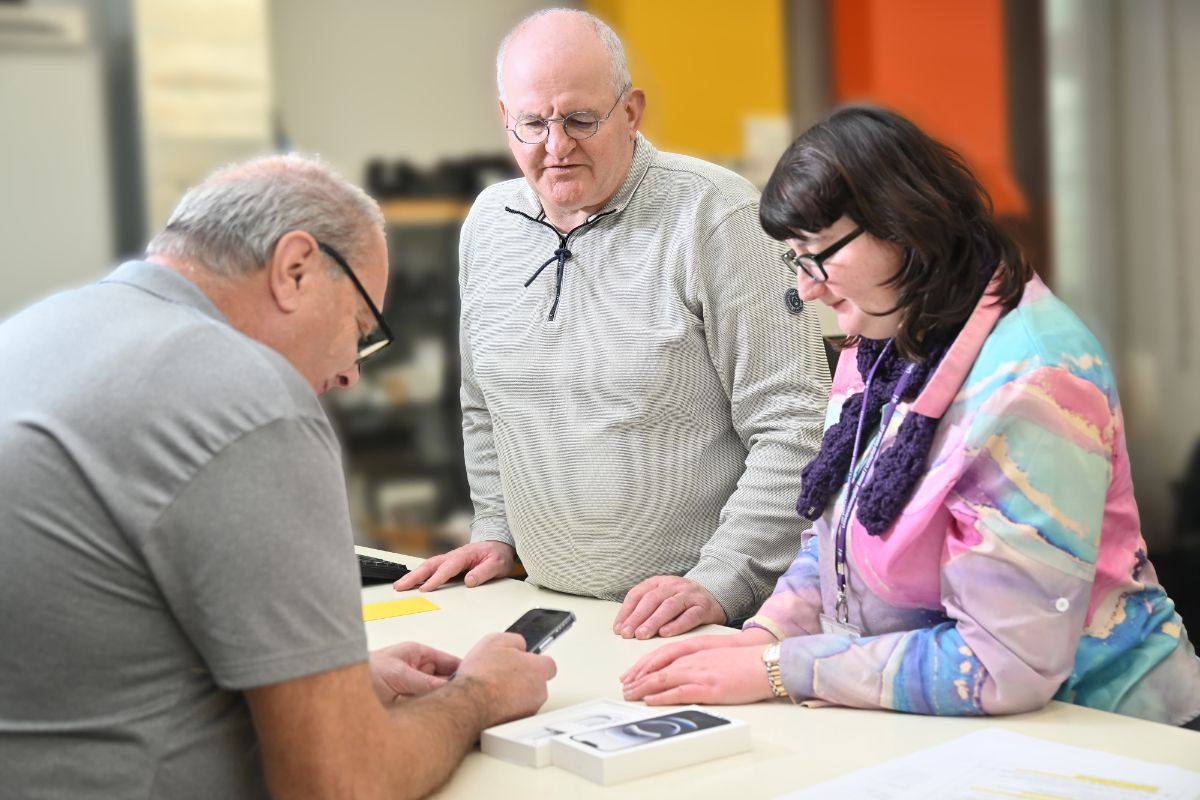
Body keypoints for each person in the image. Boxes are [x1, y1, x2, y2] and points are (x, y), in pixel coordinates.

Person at [621, 106, 1200, 727]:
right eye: (796, 258)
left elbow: (1002, 664)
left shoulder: (1035, 378)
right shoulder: (884, 336)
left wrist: (782, 669)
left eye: (818, 254)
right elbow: (831, 537)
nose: (808, 287)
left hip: (1106, 730)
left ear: (901, 227)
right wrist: (768, 632)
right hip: (961, 726)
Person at [0, 155, 556, 798]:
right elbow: (342, 784)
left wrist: (323, 685)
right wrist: (478, 696)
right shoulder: (247, 399)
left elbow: (94, 650)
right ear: (295, 269)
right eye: (359, 329)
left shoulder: (39, 334)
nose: (351, 371)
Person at [394, 9, 830, 640]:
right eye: (533, 124)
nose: (556, 145)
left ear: (631, 112)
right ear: (504, 119)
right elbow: (485, 407)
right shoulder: (488, 224)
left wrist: (723, 580)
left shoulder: (716, 216)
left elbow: (797, 422)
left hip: (697, 620)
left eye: (580, 120)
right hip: (544, 608)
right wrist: (497, 531)